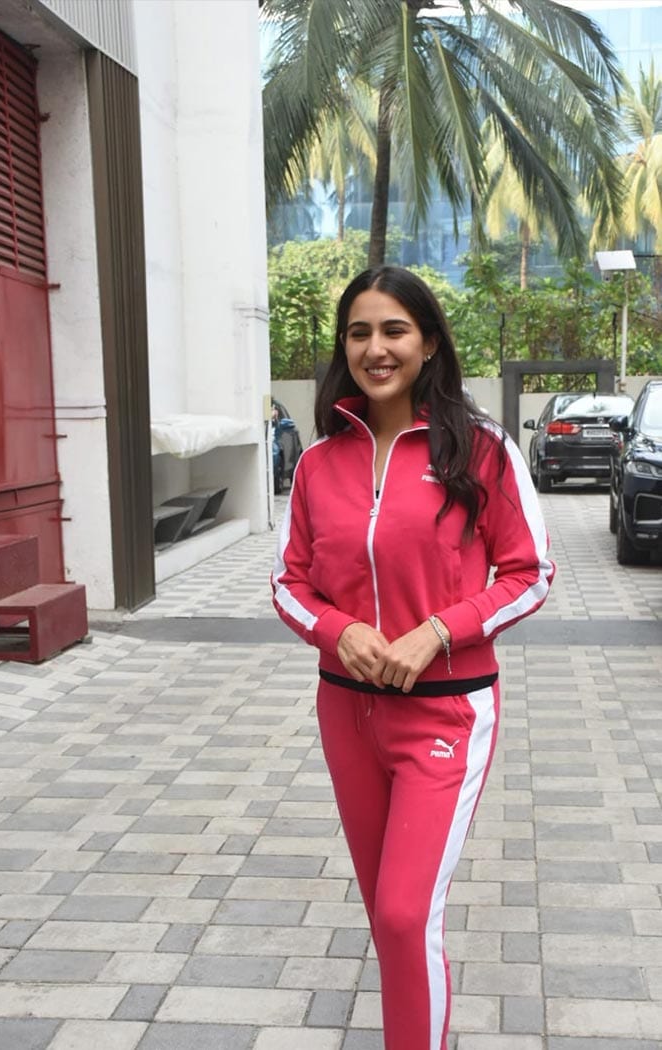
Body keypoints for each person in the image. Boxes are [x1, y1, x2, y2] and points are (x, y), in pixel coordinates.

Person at [271, 266, 554, 1050]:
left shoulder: (482, 449)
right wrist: (338, 633)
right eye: (358, 332)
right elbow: (287, 582)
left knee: (403, 913)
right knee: (389, 919)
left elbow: (532, 575)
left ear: (428, 341)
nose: (375, 348)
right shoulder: (319, 461)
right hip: (345, 714)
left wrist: (438, 630)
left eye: (394, 330)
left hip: (446, 712)